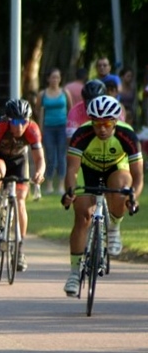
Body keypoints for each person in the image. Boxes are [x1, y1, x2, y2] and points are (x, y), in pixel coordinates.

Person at [62, 95, 142, 295]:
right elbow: (71, 170)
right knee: (82, 216)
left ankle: (114, 227)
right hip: (89, 171)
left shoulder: (127, 135)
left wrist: (134, 197)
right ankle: (74, 272)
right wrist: (70, 191)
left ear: (115, 121)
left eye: (107, 123)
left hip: (117, 169)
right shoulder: (82, 134)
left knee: (122, 187)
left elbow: (138, 176)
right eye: (97, 124)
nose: (102, 129)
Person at [0, 99, 45, 271]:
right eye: (15, 122)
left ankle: (19, 249)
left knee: (20, 201)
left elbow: (39, 158)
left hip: (19, 161)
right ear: (8, 120)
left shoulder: (32, 129)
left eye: (23, 122)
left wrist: (40, 172)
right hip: (0, 159)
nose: (19, 127)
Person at [36, 68, 73, 195]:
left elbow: (70, 109)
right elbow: (38, 111)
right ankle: (49, 184)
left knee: (62, 156)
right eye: (53, 77)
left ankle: (61, 185)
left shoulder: (65, 92)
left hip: (62, 127)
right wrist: (40, 129)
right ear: (48, 79)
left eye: (57, 77)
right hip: (48, 128)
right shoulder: (43, 94)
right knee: (50, 156)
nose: (55, 80)